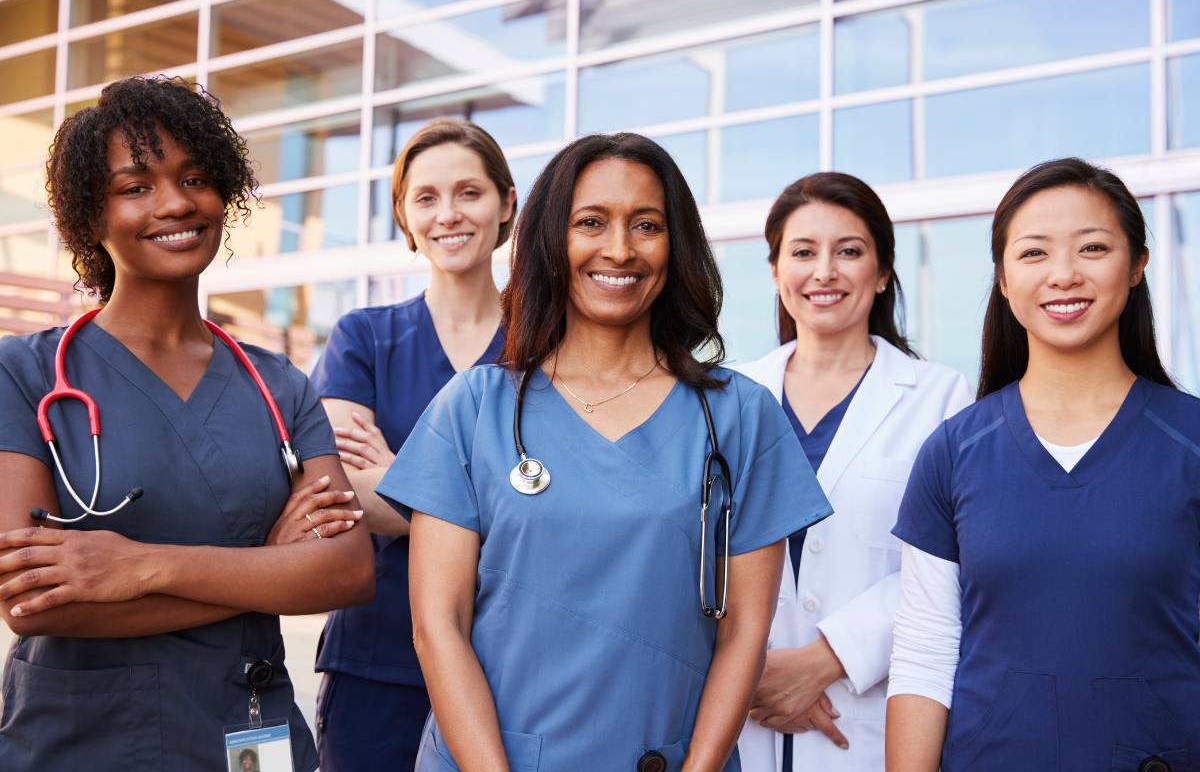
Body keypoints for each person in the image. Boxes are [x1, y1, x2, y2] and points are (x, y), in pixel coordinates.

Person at [377, 132, 832, 770]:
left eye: (646, 225)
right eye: (590, 222)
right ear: (550, 242)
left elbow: (744, 633)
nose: (619, 249)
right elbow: (438, 626)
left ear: (675, 244)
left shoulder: (738, 414)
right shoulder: (475, 408)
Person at [0, 76, 374, 770]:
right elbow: (33, 601)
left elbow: (348, 572)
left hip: (248, 727)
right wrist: (268, 567)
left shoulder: (279, 384)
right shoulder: (23, 372)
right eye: (135, 186)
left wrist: (134, 567)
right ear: (90, 215)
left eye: (195, 177)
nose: (174, 203)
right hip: (79, 743)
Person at [886, 158, 1200, 771]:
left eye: (1092, 248)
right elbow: (925, 653)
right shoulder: (953, 452)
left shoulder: (1190, 440)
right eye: (1033, 254)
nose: (1063, 275)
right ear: (1002, 279)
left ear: (1137, 265)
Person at [735, 173, 970, 771]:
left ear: (883, 272)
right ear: (774, 270)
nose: (825, 272)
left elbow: (953, 564)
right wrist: (754, 675)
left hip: (865, 722)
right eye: (804, 252)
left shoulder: (941, 398)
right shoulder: (725, 397)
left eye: (849, 251)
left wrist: (825, 658)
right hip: (739, 719)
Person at [310, 117, 516, 770]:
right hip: (378, 663)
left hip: (515, 664)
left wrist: (401, 477)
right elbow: (337, 495)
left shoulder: (548, 350)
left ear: (506, 204)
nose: (448, 214)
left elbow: (566, 509)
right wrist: (488, 498)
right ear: (403, 214)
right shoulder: (362, 339)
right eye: (425, 197)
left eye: (469, 192)